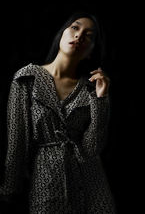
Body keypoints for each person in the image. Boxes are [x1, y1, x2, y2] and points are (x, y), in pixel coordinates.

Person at [0, 11, 117, 213]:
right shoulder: (27, 78)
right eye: (75, 27)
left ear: (91, 50)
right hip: (47, 180)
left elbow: (92, 148)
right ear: (61, 34)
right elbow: (16, 141)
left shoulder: (91, 88)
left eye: (89, 35)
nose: (79, 35)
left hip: (91, 183)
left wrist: (101, 99)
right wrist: (9, 189)